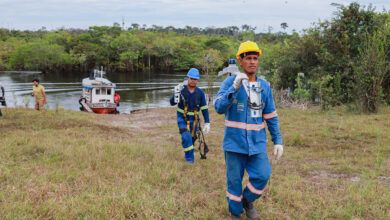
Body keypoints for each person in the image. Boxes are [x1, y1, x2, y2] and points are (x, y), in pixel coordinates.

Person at [214, 41, 283, 220]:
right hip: (234, 144)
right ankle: (235, 213)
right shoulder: (230, 82)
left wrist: (278, 141)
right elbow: (219, 108)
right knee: (234, 182)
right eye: (248, 58)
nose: (252, 62)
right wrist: (234, 88)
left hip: (257, 143)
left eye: (255, 58)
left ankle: (247, 201)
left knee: (263, 175)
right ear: (240, 61)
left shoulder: (264, 86)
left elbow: (271, 116)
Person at [170, 68, 211, 164]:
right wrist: (176, 93)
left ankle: (188, 152)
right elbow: (171, 102)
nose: (193, 80)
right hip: (182, 119)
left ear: (198, 80)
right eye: (191, 78)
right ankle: (190, 160)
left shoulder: (200, 93)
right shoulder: (181, 90)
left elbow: (204, 109)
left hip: (195, 120)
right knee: (186, 136)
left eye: (195, 79)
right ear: (187, 78)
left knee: (192, 139)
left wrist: (207, 122)